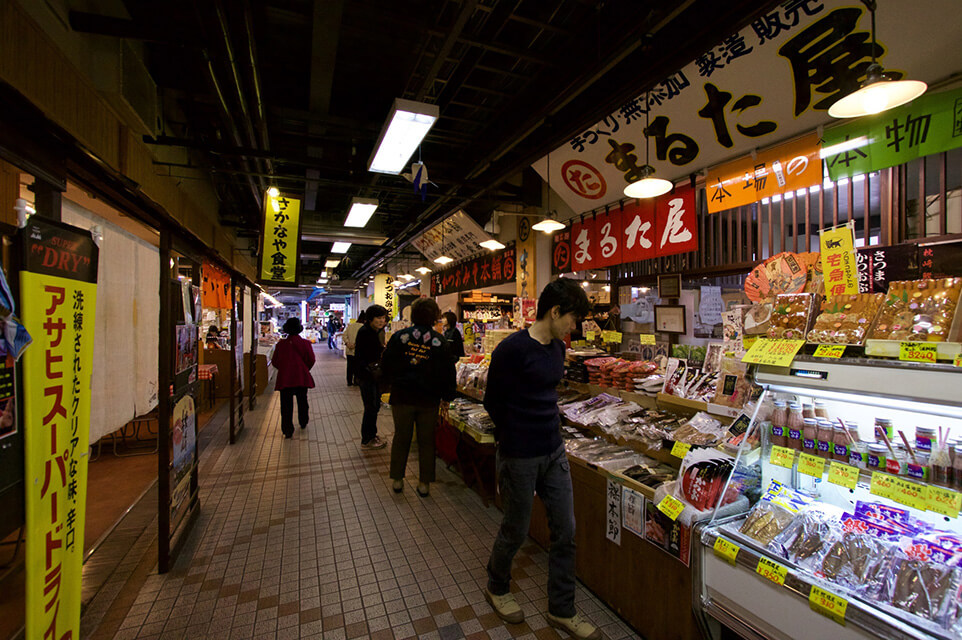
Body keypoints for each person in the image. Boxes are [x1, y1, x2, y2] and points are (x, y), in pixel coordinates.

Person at [482, 279, 599, 640]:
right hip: (519, 453)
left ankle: (561, 609)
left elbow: (549, 394)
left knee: (566, 529)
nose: (574, 328)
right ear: (555, 312)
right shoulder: (511, 350)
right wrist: (515, 434)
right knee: (516, 528)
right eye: (573, 319)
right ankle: (497, 585)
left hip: (553, 449)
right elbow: (492, 401)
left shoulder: (557, 350)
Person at [381, 298, 456, 497]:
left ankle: (397, 479)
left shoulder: (399, 337)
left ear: (413, 315)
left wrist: (389, 384)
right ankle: (424, 484)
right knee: (426, 441)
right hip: (428, 399)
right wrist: (447, 396)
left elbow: (386, 364)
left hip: (402, 396)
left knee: (401, 438)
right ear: (434, 317)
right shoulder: (440, 341)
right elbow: (448, 372)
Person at [269, 317, 316, 438]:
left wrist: (284, 368)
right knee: (302, 400)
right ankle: (303, 421)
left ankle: (287, 429)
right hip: (301, 376)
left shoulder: (281, 345)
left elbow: (275, 361)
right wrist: (304, 368)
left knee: (286, 405)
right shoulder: (305, 343)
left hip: (285, 378)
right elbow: (311, 359)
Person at [355, 304, 389, 450]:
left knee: (373, 406)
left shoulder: (373, 331)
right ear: (370, 319)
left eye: (383, 318)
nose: (382, 321)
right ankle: (367, 439)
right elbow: (369, 355)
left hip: (369, 375)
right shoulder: (366, 332)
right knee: (371, 406)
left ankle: (371, 436)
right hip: (367, 375)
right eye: (378, 318)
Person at [342, 310, 365, 386]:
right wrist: (355, 344)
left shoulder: (350, 326)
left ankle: (349, 381)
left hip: (349, 351)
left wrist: (347, 343)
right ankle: (356, 381)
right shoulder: (363, 328)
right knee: (358, 367)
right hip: (358, 351)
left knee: (350, 367)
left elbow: (344, 335)